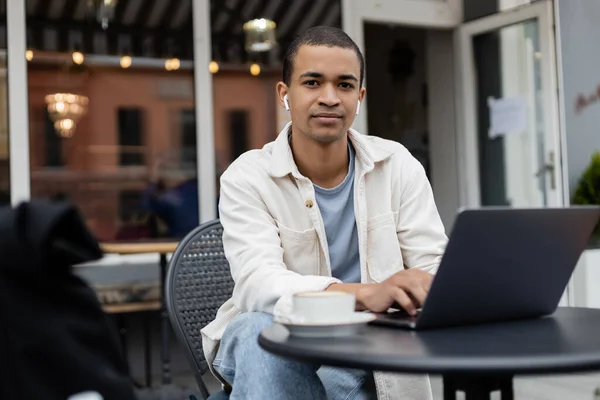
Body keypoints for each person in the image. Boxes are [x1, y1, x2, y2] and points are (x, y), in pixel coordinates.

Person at [201, 26, 448, 400]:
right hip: (280, 338)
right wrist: (362, 294)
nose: (330, 98)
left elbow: (434, 265)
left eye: (345, 85)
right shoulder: (247, 176)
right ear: (285, 94)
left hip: (369, 347)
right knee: (256, 331)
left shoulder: (397, 165)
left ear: (360, 96)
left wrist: (423, 289)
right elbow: (257, 283)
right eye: (313, 82)